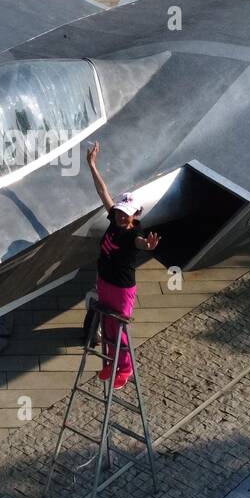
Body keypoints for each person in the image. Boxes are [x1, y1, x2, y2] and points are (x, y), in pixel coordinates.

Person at [85, 141, 160, 389]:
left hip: (121, 289)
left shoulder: (132, 234)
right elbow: (103, 193)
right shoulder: (114, 222)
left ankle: (124, 368)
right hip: (104, 281)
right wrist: (92, 165)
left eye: (125, 214)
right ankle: (109, 363)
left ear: (134, 215)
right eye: (118, 211)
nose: (120, 216)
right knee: (106, 326)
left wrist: (148, 247)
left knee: (119, 329)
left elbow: (139, 243)